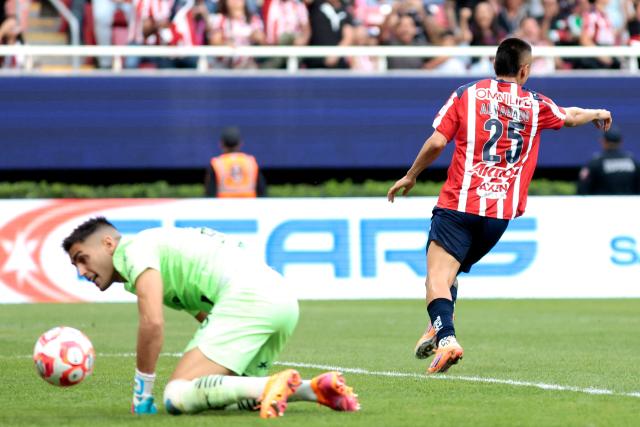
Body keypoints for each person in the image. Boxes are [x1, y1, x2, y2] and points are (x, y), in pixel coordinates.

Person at [387, 37, 612, 374]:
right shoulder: (536, 104)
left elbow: (436, 141)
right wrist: (598, 112)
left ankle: (447, 338)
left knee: (436, 277)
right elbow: (571, 116)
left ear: (494, 65)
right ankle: (438, 325)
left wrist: (411, 175)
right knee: (451, 275)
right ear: (524, 70)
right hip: (499, 216)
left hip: (458, 205)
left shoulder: (467, 94)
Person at [62, 217, 360, 417]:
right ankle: (316, 389)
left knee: (177, 394)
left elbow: (151, 322)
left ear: (108, 244)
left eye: (82, 258)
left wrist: (143, 393)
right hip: (280, 301)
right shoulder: (161, 252)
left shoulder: (136, 250)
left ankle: (269, 383)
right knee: (237, 395)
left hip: (248, 298)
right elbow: (206, 316)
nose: (81, 271)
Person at [204, 127, 267, 198]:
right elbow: (262, 191)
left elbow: (210, 194)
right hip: (249, 207)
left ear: (221, 144)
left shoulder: (216, 164)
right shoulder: (251, 162)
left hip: (224, 207)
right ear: (240, 143)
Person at [578, 126, 640, 195]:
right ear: (621, 141)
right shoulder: (633, 162)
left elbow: (582, 189)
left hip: (603, 204)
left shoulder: (595, 163)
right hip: (630, 204)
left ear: (603, 141)